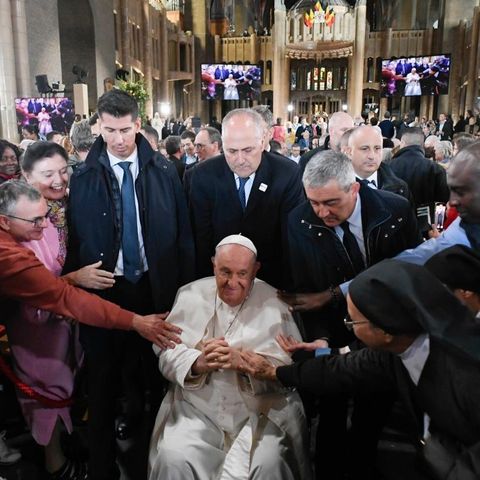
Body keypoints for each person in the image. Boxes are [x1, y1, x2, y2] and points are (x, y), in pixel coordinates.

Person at [241, 259, 480, 479]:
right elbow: (340, 369)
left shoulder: (465, 373)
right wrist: (275, 373)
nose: (350, 328)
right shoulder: (402, 344)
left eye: (352, 322)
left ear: (386, 332)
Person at [64, 89, 194, 480]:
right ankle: (102, 468)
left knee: (158, 378)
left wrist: (183, 296)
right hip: (105, 291)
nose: (118, 139)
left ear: (138, 125)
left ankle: (156, 461)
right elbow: (75, 240)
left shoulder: (164, 170)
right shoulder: (84, 177)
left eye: (125, 129)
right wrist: (78, 280)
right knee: (102, 384)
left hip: (155, 288)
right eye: (109, 130)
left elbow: (184, 237)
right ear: (98, 128)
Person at [282, 149, 420, 478]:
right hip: (332, 330)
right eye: (314, 202)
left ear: (354, 188)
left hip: (384, 332)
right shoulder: (299, 220)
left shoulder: (395, 210)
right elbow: (306, 292)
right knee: (330, 412)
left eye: (330, 203)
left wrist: (335, 293)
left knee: (371, 415)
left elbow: (406, 272)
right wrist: (322, 339)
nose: (321, 212)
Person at [148, 235, 312, 480]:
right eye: (224, 272)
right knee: (174, 457)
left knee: (269, 463)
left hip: (260, 411)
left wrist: (244, 363)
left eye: (242, 274)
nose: (232, 282)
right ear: (214, 264)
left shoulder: (275, 302)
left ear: (255, 271)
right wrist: (197, 363)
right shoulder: (190, 294)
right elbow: (165, 353)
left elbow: (290, 370)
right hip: (198, 408)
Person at [7, 142, 116, 478]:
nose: (58, 180)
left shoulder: (67, 208)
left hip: (70, 316)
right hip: (38, 323)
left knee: (68, 385)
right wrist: (73, 278)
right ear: (25, 176)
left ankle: (66, 445)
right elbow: (33, 289)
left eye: (62, 170)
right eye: (47, 174)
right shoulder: (20, 224)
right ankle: (56, 465)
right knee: (45, 392)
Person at [0, 180, 177, 342]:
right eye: (35, 220)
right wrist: (136, 322)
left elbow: (44, 287)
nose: (45, 225)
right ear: (5, 222)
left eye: (45, 215)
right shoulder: (8, 256)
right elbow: (64, 297)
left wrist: (70, 279)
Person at [187, 108, 304, 289]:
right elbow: (202, 237)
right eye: (231, 151)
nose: (240, 159)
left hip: (271, 281)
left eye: (248, 150)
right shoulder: (203, 175)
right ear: (221, 146)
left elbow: (291, 239)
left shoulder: (287, 174)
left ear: (263, 140)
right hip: (218, 280)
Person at [389, 127, 450, 223]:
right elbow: (441, 203)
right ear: (422, 145)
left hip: (393, 225)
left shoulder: (388, 167)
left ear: (402, 143)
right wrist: (438, 226)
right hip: (425, 226)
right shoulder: (436, 169)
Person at [346, 125, 411, 200]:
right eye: (364, 149)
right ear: (349, 152)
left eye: (377, 148)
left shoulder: (400, 188)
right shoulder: (334, 187)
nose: (371, 156)